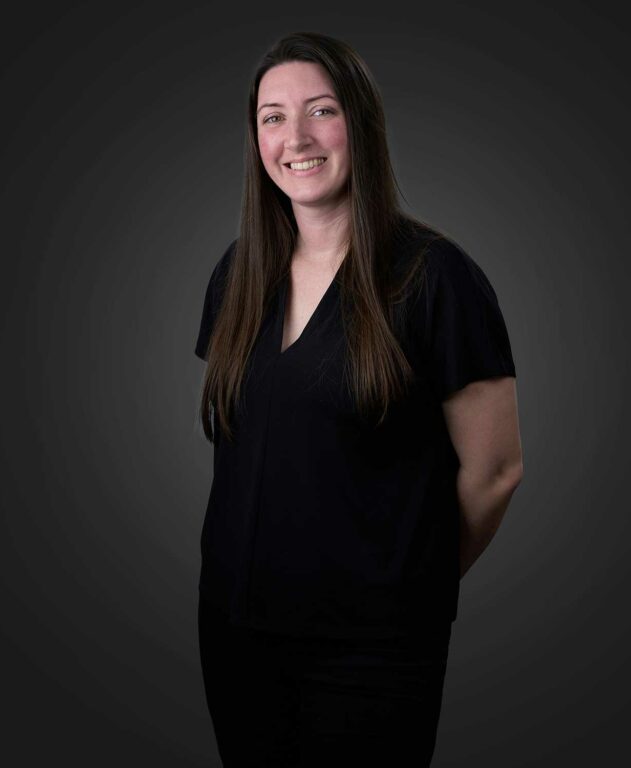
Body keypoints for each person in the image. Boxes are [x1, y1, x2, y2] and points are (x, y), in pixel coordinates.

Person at [193, 31, 523, 768]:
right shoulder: (238, 273)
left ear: (361, 126)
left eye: (321, 111)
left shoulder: (435, 278)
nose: (296, 137)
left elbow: (496, 469)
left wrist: (401, 585)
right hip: (237, 637)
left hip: (371, 655)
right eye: (273, 117)